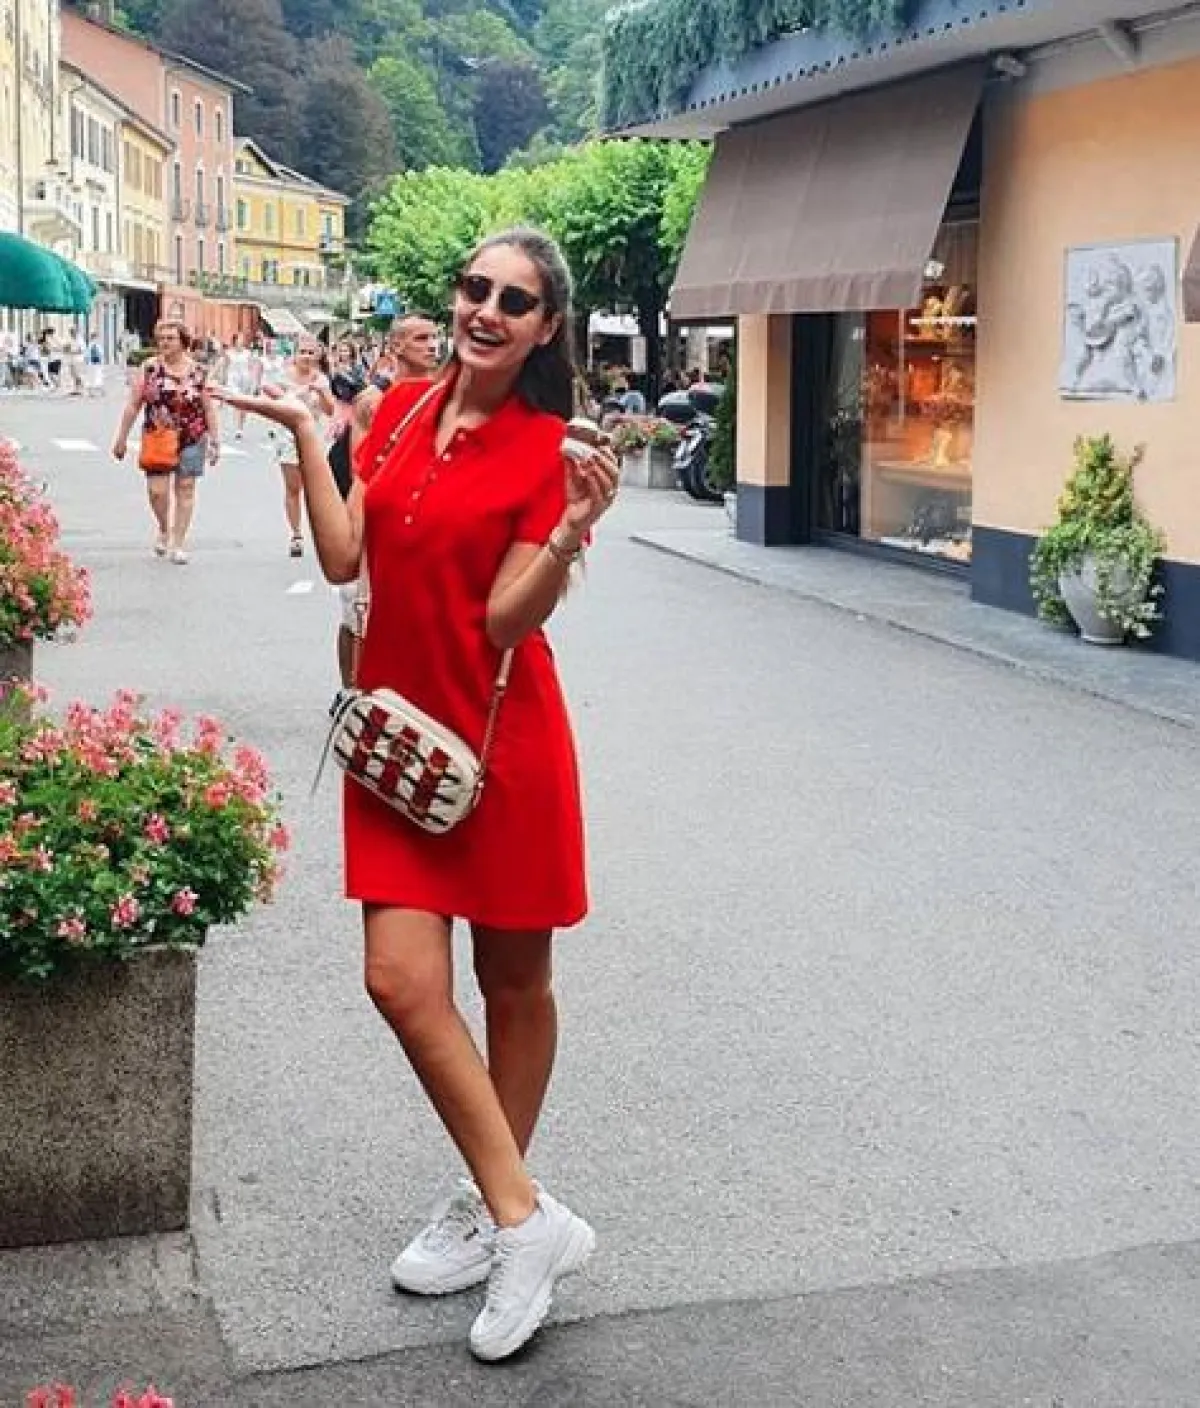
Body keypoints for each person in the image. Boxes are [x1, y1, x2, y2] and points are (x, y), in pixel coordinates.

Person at [212, 226, 620, 1364]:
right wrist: (309, 434)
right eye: (475, 287)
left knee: (514, 983)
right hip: (398, 747)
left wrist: (571, 531)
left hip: (500, 745)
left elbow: (504, 621)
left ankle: (493, 1204)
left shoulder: (547, 450)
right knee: (399, 979)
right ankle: (526, 1218)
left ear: (545, 328)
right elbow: (345, 559)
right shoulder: (391, 411)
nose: (485, 309)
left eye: (515, 300)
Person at [111, 319, 220, 565]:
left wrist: (215, 440)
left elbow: (208, 408)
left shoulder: (198, 371)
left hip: (192, 435)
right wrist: (121, 438)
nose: (164, 343)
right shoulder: (150, 368)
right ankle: (163, 527)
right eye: (161, 338)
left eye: (170, 338)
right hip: (158, 435)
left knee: (186, 487)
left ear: (183, 342)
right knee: (157, 491)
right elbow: (133, 404)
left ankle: (178, 543)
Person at [267, 335, 334, 557]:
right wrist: (301, 391)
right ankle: (296, 534)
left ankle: (320, 534)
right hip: (289, 436)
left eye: (310, 353)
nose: (306, 356)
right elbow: (276, 399)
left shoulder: (321, 379)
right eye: (302, 352)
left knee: (315, 489)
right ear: (295, 355)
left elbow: (330, 410)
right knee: (293, 487)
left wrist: (321, 392)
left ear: (318, 356)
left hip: (314, 436)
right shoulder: (283, 376)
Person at [221, 332, 260, 438]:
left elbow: (251, 367)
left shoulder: (247, 353)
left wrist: (254, 381)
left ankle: (240, 427)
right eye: (239, 339)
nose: (241, 341)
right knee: (237, 402)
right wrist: (223, 381)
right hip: (233, 379)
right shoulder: (228, 353)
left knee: (244, 405)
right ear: (235, 341)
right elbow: (225, 367)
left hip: (245, 379)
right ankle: (237, 428)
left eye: (242, 339)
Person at [85, 331, 105, 397]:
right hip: (96, 363)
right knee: (97, 376)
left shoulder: (90, 345)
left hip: (91, 363)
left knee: (91, 377)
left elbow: (86, 354)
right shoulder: (96, 345)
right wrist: (101, 361)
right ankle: (100, 391)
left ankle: (90, 392)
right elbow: (101, 354)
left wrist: (87, 361)